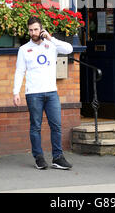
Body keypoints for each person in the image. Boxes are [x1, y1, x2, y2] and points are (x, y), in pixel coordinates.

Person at [13, 15, 73, 170]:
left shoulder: (51, 45)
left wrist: (51, 38)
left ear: (41, 29)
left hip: (52, 92)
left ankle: (58, 158)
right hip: (33, 93)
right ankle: (38, 157)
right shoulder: (24, 49)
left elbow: (69, 49)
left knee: (56, 126)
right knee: (36, 127)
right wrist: (16, 92)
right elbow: (19, 71)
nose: (33, 32)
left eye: (36, 29)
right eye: (31, 30)